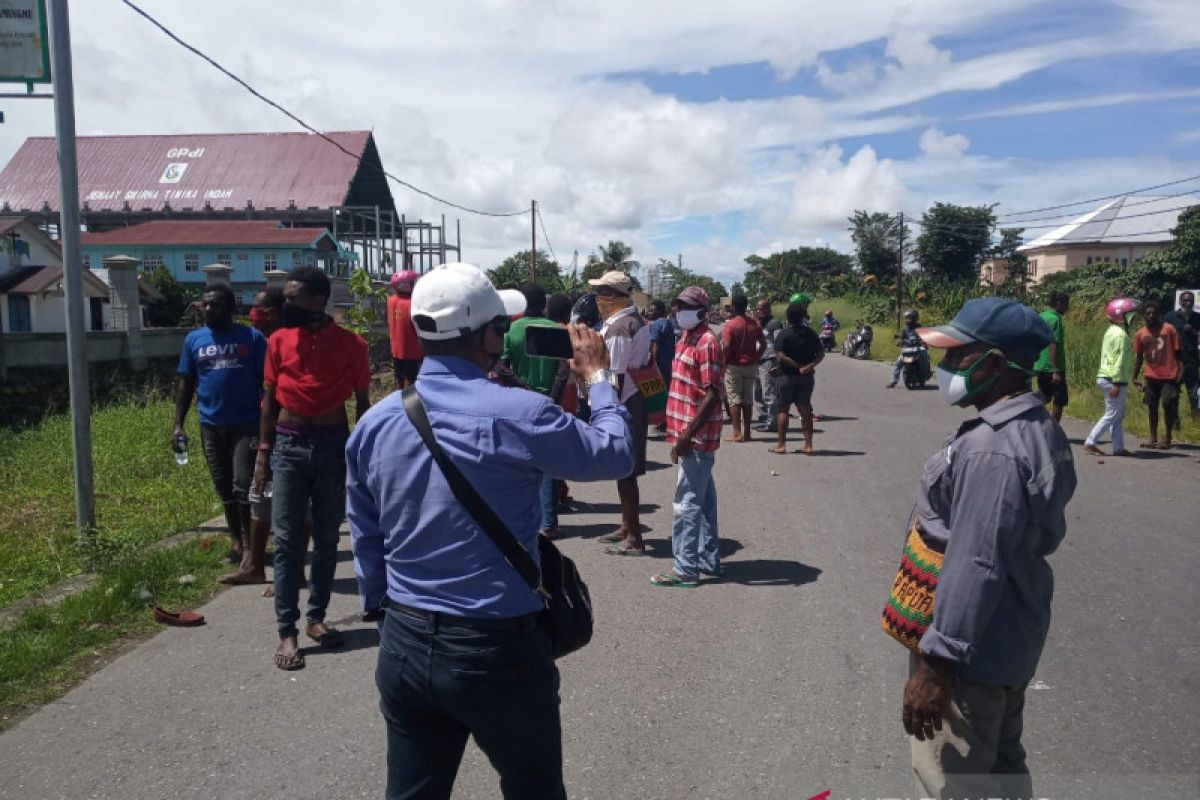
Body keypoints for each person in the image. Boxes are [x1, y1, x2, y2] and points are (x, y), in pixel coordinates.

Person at [346, 262, 634, 800]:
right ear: (487, 335)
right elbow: (616, 454)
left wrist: (384, 612)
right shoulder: (523, 413)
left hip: (404, 640)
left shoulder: (374, 423)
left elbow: (365, 535)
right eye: (500, 327)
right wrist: (596, 379)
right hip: (497, 648)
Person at [902, 296, 1077, 800]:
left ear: (995, 364)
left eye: (957, 356)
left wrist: (938, 664)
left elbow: (976, 562)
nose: (945, 367)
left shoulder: (992, 450)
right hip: (1009, 637)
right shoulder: (1038, 428)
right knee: (1002, 766)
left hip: (970, 654)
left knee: (953, 782)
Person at [254, 266, 372, 671]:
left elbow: (363, 402)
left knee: (326, 539)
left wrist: (360, 455)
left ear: (318, 301)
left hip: (333, 446)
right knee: (287, 542)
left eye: (292, 298)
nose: (283, 304)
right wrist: (263, 456)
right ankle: (286, 629)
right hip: (288, 446)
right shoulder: (278, 342)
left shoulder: (352, 345)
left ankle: (316, 619)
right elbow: (269, 401)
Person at [173, 284, 267, 564]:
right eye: (206, 304)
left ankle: (251, 547)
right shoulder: (194, 340)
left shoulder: (252, 337)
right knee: (223, 484)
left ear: (231, 308)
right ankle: (236, 541)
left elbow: (268, 383)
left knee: (243, 483)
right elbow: (186, 383)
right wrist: (178, 424)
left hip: (246, 423)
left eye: (215, 304)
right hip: (211, 424)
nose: (209, 309)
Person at [219, 286, 299, 586]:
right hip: (262, 427)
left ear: (275, 312)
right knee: (261, 494)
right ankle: (256, 563)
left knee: (287, 499)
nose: (254, 313)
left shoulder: (285, 341)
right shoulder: (262, 340)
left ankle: (287, 571)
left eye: (260, 308)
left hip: (289, 430)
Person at [651, 286, 725, 588]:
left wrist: (685, 437)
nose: (679, 310)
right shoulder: (685, 338)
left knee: (687, 503)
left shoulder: (707, 342)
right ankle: (708, 559)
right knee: (704, 500)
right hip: (687, 433)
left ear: (702, 311)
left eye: (686, 306)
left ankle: (685, 568)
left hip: (695, 438)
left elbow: (712, 396)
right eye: (678, 304)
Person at [589, 270, 652, 557]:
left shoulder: (618, 328)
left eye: (601, 292)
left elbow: (612, 375)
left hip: (622, 403)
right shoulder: (633, 320)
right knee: (624, 471)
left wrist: (604, 410)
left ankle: (635, 538)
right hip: (633, 398)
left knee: (626, 472)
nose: (597, 299)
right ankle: (627, 527)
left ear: (613, 297)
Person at [501, 284, 565, 537]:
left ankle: (524, 516)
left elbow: (502, 367)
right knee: (546, 460)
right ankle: (548, 521)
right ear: (544, 305)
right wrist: (551, 399)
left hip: (518, 402)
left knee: (519, 460)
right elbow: (563, 369)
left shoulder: (512, 330)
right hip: (549, 400)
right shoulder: (555, 330)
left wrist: (523, 389)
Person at [1083, 297, 1138, 457]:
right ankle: (1090, 442)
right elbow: (1119, 361)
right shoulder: (1122, 336)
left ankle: (1118, 447)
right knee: (1113, 414)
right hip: (1113, 379)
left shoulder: (1111, 332)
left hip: (1106, 376)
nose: (1134, 319)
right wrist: (1117, 382)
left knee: (1117, 414)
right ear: (1122, 316)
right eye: (1131, 315)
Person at [769, 301, 823, 455]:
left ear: (788, 317)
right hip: (806, 378)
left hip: (786, 377)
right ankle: (808, 445)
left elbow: (781, 355)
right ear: (803, 317)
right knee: (805, 409)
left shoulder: (784, 334)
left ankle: (781, 445)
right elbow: (820, 354)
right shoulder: (811, 333)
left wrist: (797, 366)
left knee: (783, 410)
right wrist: (809, 366)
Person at [1132, 299, 1183, 450]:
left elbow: (1179, 353)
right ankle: (1153, 438)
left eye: (1154, 313)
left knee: (1168, 404)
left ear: (1159, 314)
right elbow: (1139, 357)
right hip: (1151, 376)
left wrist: (1181, 372)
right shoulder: (1140, 334)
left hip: (1169, 375)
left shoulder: (1169, 329)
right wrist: (1134, 376)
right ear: (1144, 316)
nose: (1151, 316)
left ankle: (1167, 437)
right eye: (1148, 313)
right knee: (1151, 406)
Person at [721, 292, 766, 443]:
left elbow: (726, 346)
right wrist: (757, 357)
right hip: (751, 365)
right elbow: (763, 344)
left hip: (734, 365)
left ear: (733, 307)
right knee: (747, 399)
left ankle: (737, 433)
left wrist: (724, 362)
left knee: (734, 399)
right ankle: (747, 433)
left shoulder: (731, 325)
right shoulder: (754, 323)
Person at [1033, 291, 1070, 423]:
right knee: (1059, 400)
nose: (1067, 308)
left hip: (1040, 365)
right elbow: (1053, 343)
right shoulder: (1055, 319)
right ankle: (1054, 429)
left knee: (1045, 396)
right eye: (1066, 304)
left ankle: (1032, 416)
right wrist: (1055, 370)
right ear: (1059, 303)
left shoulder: (1041, 316)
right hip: (1053, 367)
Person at [1163, 290, 1200, 415]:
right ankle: (1174, 423)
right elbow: (1163, 337)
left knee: (1194, 393)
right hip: (1175, 361)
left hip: (1192, 360)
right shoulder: (1170, 317)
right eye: (1185, 300)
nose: (1188, 303)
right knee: (1173, 393)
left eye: (1190, 300)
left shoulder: (1197, 318)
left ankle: (1195, 421)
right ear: (1180, 301)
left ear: (1194, 302)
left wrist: (1193, 331)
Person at [388, 270, 423, 390]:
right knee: (411, 381)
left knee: (400, 379)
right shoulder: (412, 303)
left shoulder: (391, 300)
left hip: (396, 349)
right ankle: (410, 406)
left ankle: (398, 402)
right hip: (412, 350)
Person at [753, 299, 783, 431]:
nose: (759, 311)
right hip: (757, 361)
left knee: (769, 392)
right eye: (758, 309)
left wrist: (778, 363)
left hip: (769, 360)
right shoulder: (757, 323)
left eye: (762, 308)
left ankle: (772, 423)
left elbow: (780, 344)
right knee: (758, 392)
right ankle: (764, 417)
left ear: (769, 309)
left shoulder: (775, 324)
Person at [648, 299, 677, 432]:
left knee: (660, 393)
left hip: (660, 364)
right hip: (668, 363)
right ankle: (667, 419)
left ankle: (664, 421)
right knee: (667, 391)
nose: (650, 312)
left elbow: (655, 345)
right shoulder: (668, 323)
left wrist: (652, 364)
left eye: (652, 309)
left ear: (659, 311)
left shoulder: (657, 324)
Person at [887, 309, 922, 388]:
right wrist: (899, 341)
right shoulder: (905, 329)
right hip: (907, 350)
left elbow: (923, 336)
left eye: (909, 318)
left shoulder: (919, 328)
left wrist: (922, 341)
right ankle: (893, 381)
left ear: (914, 318)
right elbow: (901, 337)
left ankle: (923, 375)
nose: (907, 320)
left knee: (924, 358)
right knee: (898, 364)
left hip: (917, 349)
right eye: (906, 318)